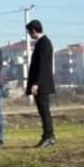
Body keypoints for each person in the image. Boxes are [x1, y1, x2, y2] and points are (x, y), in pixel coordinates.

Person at [26, 20, 56, 148]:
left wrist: (36, 83)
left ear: (33, 30)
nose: (29, 34)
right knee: (43, 111)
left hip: (42, 84)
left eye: (29, 32)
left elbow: (43, 66)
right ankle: (48, 136)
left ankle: (48, 137)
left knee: (44, 111)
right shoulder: (42, 43)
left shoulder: (44, 43)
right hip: (41, 83)